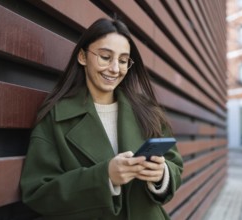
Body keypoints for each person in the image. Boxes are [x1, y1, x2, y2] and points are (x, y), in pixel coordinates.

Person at [20, 18, 183, 220]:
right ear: (82, 56)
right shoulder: (56, 116)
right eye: (105, 57)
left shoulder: (147, 110)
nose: (115, 69)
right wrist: (105, 177)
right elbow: (38, 192)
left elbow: (175, 164)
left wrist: (161, 175)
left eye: (123, 61)